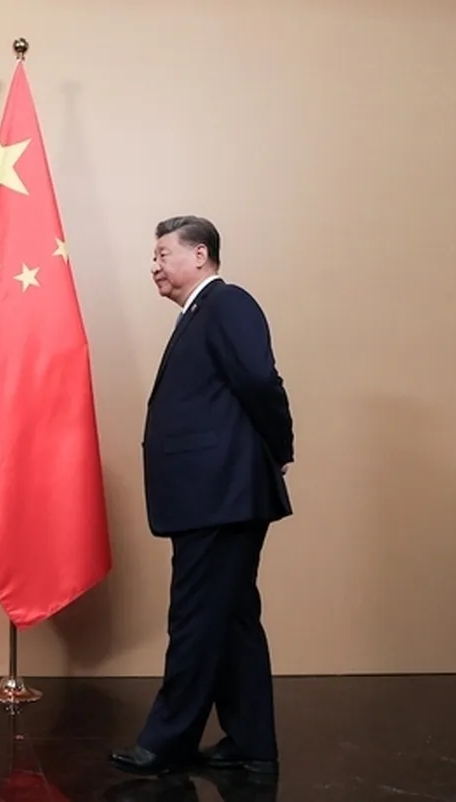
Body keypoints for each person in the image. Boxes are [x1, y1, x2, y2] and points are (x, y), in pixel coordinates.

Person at [110, 216, 294, 777]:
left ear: (200, 255)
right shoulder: (201, 314)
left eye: (163, 254)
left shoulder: (227, 303)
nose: (155, 266)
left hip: (220, 493)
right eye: (154, 256)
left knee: (194, 617)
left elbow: (259, 380)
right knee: (232, 617)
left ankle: (166, 742)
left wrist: (279, 447)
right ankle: (252, 744)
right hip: (217, 493)